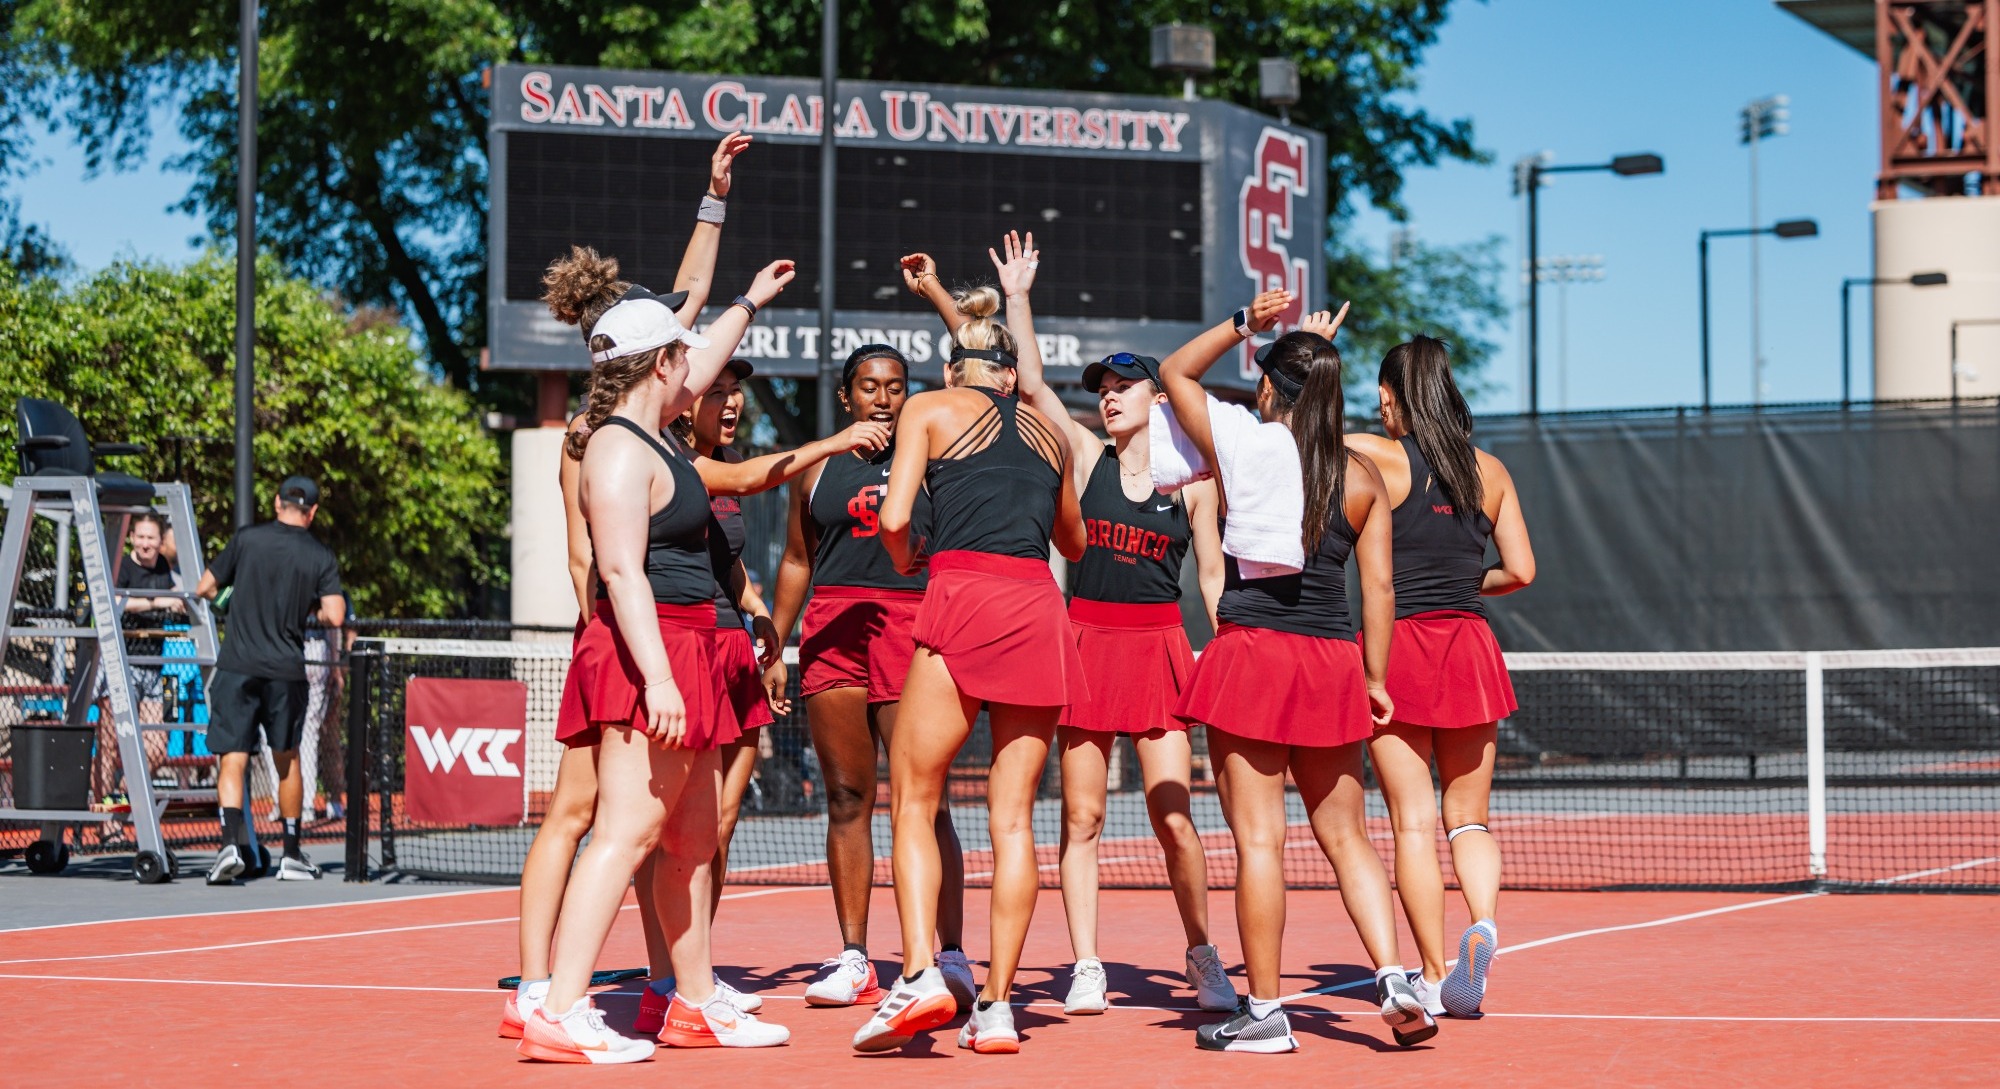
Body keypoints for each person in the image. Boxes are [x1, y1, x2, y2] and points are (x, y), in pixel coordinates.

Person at [904, 235, 1235, 1016]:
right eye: (1105, 387)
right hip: (1082, 639)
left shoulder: (1192, 483)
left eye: (1126, 384)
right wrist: (1015, 295)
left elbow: (1214, 578)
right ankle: (1087, 963)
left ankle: (1202, 952)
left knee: (1174, 814)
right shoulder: (1077, 453)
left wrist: (1226, 648)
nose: (1110, 395)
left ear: (1158, 396)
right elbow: (1026, 388)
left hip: (1158, 645)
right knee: (1080, 816)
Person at [519, 261, 799, 1062]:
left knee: (694, 837)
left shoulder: (655, 426)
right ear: (659, 364)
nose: (695, 364)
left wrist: (749, 299)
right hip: (654, 650)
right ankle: (560, 1010)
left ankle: (694, 1002)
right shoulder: (612, 448)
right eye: (683, 351)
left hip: (697, 644)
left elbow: (709, 356)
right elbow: (618, 572)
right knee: (627, 831)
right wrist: (663, 679)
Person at [506, 133, 749, 1041]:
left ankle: (672, 990)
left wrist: (715, 201)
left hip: (639, 632)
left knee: (644, 826)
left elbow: (691, 299)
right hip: (615, 633)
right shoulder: (599, 437)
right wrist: (624, 650)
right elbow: (600, 564)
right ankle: (543, 992)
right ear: (642, 351)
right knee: (587, 818)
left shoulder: (638, 416)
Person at [1159, 297, 1437, 1052]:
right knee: (1348, 839)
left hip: (1253, 655)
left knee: (1259, 842)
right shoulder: (1362, 475)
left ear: (1272, 390)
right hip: (1329, 660)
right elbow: (1377, 591)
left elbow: (1174, 370)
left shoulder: (1244, 444)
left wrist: (1247, 321)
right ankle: (1392, 978)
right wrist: (1375, 676)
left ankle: (1267, 1013)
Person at [850, 264, 1088, 1055]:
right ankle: (995, 1007)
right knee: (1014, 821)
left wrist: (912, 549)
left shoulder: (930, 405)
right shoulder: (1050, 432)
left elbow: (890, 516)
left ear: (957, 367)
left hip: (961, 595)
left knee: (913, 798)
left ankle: (920, 971)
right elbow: (1075, 543)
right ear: (1011, 370)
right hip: (1035, 608)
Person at [769, 343, 976, 1011]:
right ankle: (855, 955)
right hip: (831, 627)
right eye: (868, 386)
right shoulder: (817, 471)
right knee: (847, 797)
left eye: (894, 386)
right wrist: (774, 639)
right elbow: (798, 561)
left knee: (925, 798)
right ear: (846, 395)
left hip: (909, 624)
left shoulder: (931, 460)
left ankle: (949, 954)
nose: (882, 398)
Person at [1346, 335, 1534, 1020]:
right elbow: (1520, 570)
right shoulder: (1490, 469)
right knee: (1469, 819)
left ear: (1397, 394)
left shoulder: (1376, 455)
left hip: (1398, 648)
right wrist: (1464, 581)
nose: (1377, 404)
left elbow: (1302, 432)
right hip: (1469, 642)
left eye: (1381, 393)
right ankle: (1480, 922)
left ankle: (1430, 973)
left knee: (1411, 823)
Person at [197, 476, 344, 884]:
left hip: (238, 664)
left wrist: (231, 596)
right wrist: (309, 604)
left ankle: (228, 845)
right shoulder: (319, 554)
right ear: (312, 513)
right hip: (285, 670)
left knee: (233, 756)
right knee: (287, 758)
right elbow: (334, 614)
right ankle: (292, 854)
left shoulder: (247, 539)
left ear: (277, 503)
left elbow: (204, 587)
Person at [98, 512, 179, 801]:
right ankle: (106, 820)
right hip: (121, 661)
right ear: (132, 537)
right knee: (109, 741)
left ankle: (120, 796)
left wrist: (178, 601)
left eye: (151, 538)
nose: (145, 544)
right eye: (140, 537)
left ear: (161, 541)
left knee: (157, 747)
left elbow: (176, 596)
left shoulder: (163, 567)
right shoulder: (121, 566)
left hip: (154, 666)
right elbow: (115, 602)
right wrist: (155, 602)